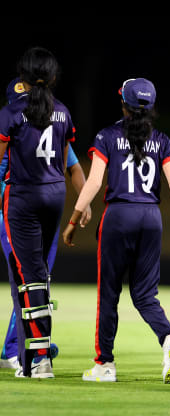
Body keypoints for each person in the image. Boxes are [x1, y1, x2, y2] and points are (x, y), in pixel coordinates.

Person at [62, 77, 170, 384]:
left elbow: (94, 182)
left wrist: (73, 218)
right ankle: (169, 339)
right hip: (150, 217)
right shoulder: (162, 141)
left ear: (123, 104)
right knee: (145, 294)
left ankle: (104, 365)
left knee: (109, 295)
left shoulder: (107, 136)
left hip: (118, 216)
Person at [0, 78, 91, 370]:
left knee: (34, 280)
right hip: (14, 213)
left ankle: (23, 347)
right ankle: (23, 350)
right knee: (27, 281)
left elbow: (73, 166)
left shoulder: (44, 128)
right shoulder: (14, 128)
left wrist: (84, 200)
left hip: (34, 211)